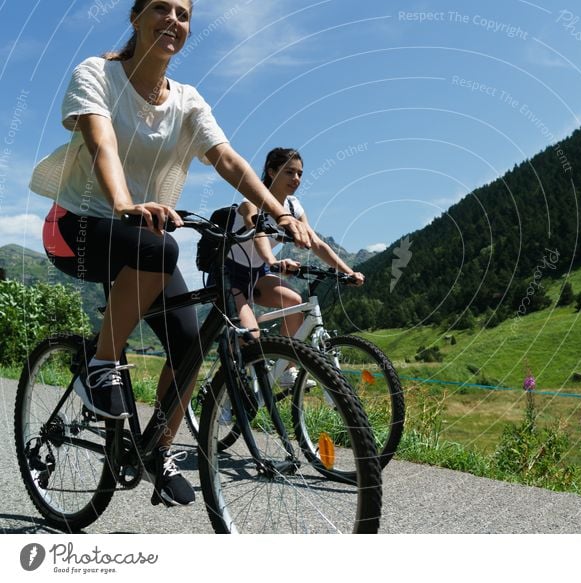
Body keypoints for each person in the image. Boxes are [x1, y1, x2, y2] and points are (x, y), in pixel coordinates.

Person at [29, 0, 310, 508]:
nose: (173, 21)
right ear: (135, 17)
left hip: (141, 237)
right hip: (77, 225)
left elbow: (225, 157)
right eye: (161, 8)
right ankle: (101, 364)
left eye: (183, 13)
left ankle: (157, 447)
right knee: (159, 248)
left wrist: (279, 212)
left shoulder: (187, 100)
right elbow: (101, 142)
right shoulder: (97, 73)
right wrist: (123, 202)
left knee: (188, 340)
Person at [217, 147, 364, 387]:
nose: (296, 179)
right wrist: (272, 261)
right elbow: (257, 231)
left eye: (299, 174)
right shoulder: (251, 201)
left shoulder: (293, 207)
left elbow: (315, 242)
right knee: (250, 336)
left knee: (295, 302)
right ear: (271, 171)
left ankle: (286, 369)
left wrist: (347, 272)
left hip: (258, 274)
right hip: (229, 273)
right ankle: (227, 396)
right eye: (289, 172)